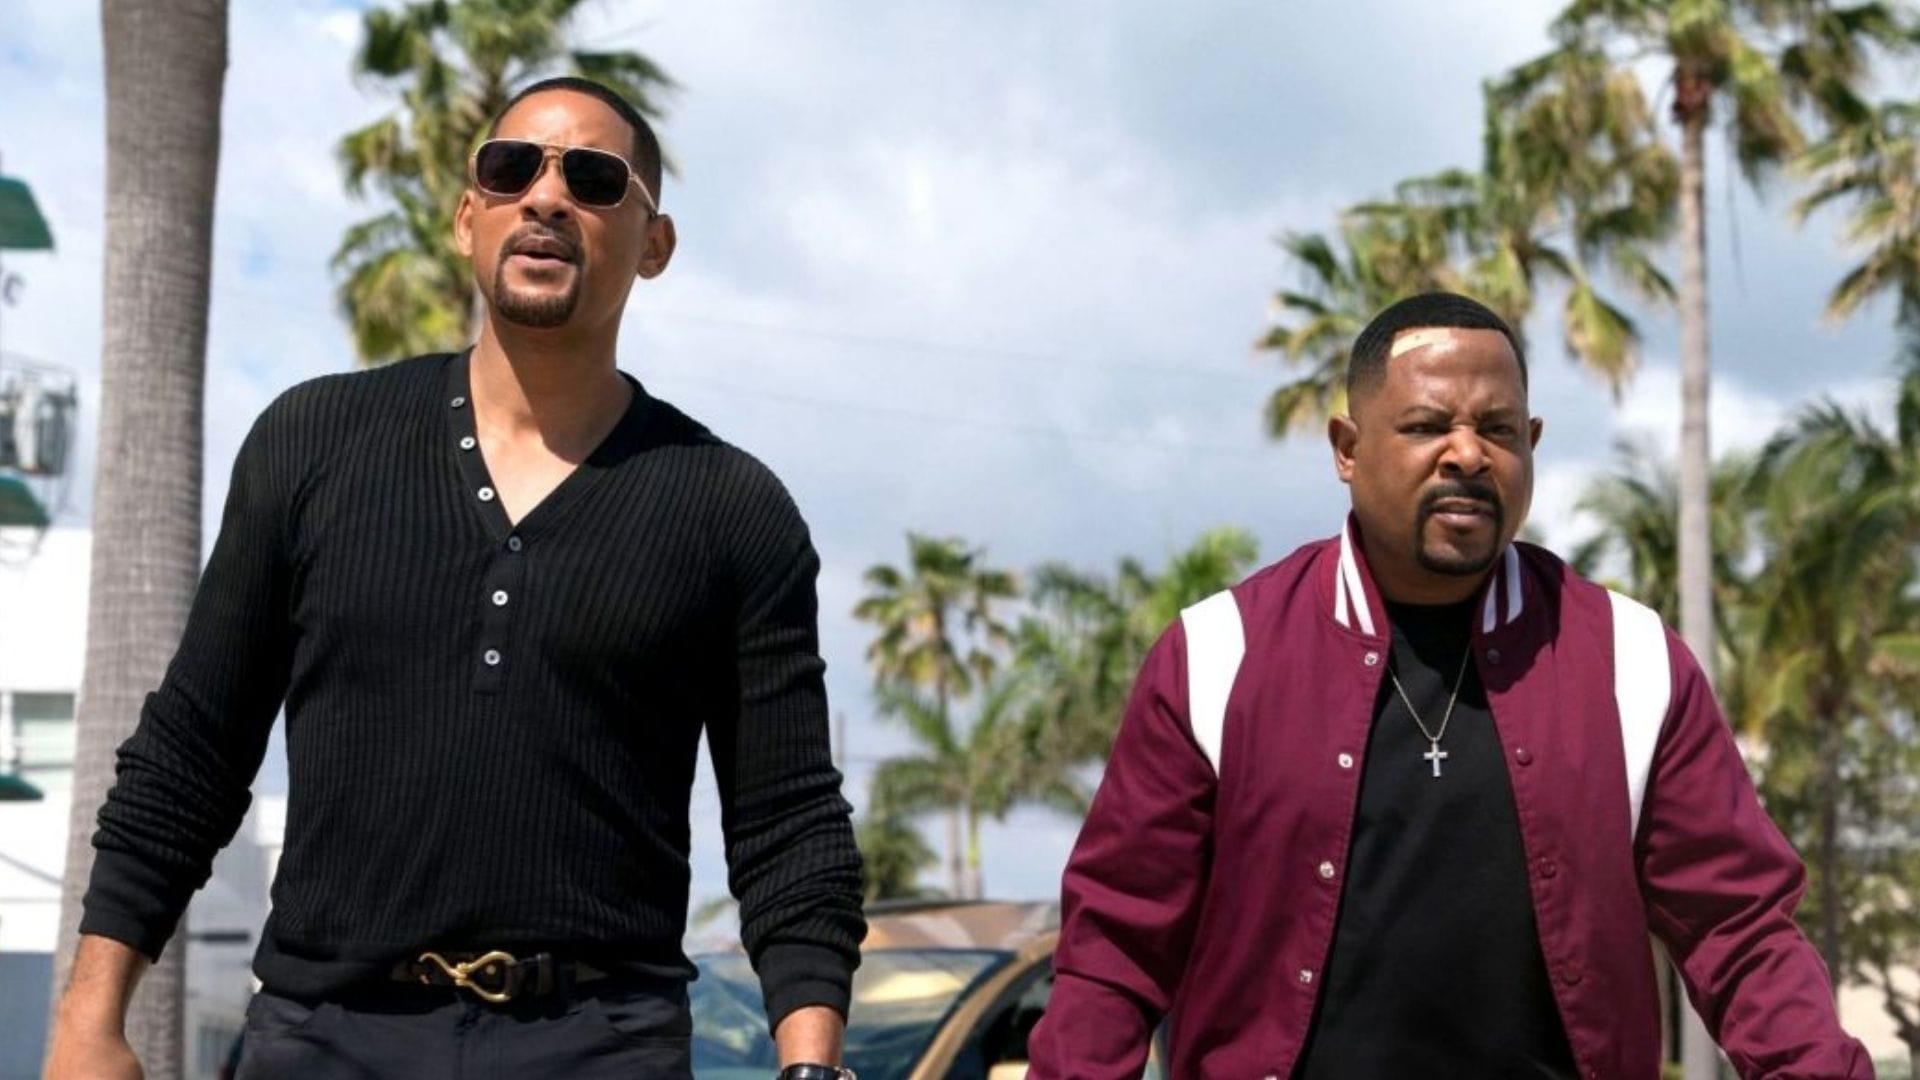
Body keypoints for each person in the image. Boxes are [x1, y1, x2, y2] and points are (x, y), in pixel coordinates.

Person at [44, 76, 864, 1080]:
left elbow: (788, 823)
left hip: (601, 1046)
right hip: (322, 1035)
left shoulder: (733, 508)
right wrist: (89, 1021)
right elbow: (193, 749)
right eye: (512, 169)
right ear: (468, 218)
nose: (547, 197)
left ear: (654, 245)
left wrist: (811, 1063)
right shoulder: (312, 442)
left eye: (594, 180)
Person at [1028, 292, 1870, 1079]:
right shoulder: (1218, 655)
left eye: (1498, 430)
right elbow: (1116, 949)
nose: (1468, 454)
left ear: (1531, 444)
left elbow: (1740, 927)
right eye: (1428, 425)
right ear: (1347, 449)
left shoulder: (1630, 658)